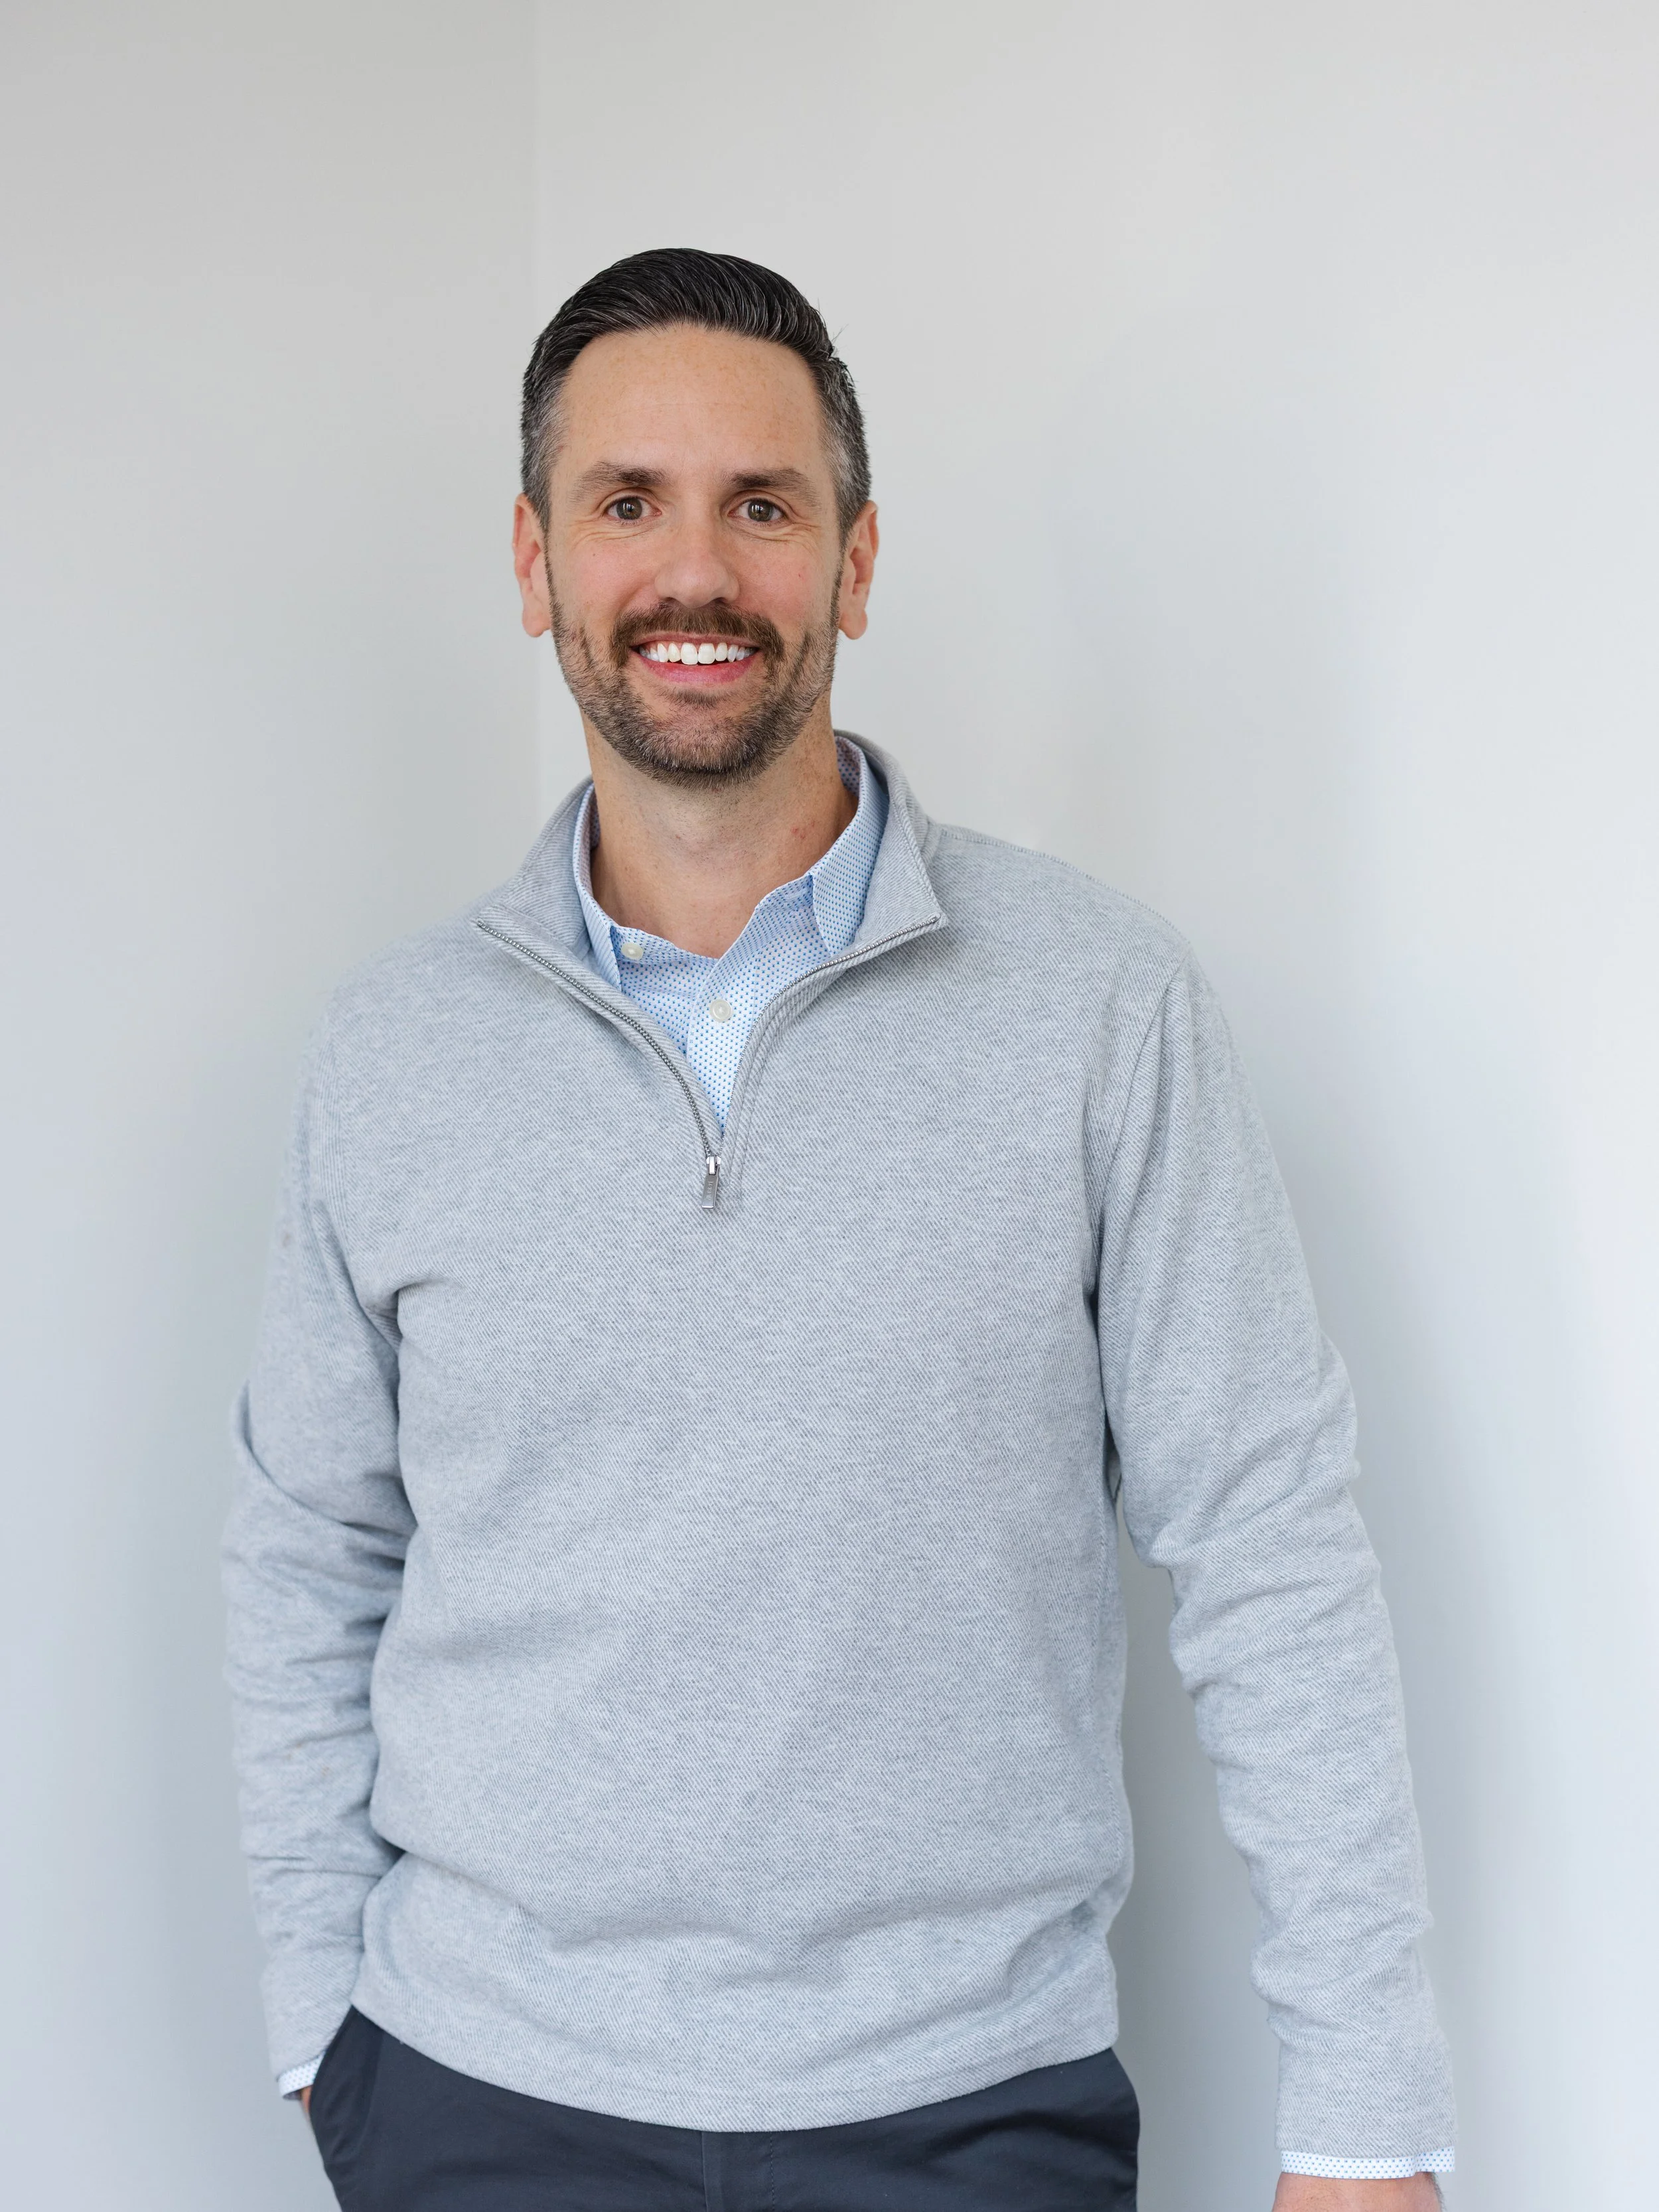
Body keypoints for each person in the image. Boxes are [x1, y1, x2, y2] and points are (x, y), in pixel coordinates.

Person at [224, 248, 1455, 2211]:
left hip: (966, 2111)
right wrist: (324, 2037)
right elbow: (311, 1553)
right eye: (627, 503)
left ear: (855, 562)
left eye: (763, 506)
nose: (693, 574)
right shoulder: (391, 1055)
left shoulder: (1101, 1004)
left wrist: (1367, 2122)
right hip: (479, 2101)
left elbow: (1268, 1545)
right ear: (536, 563)